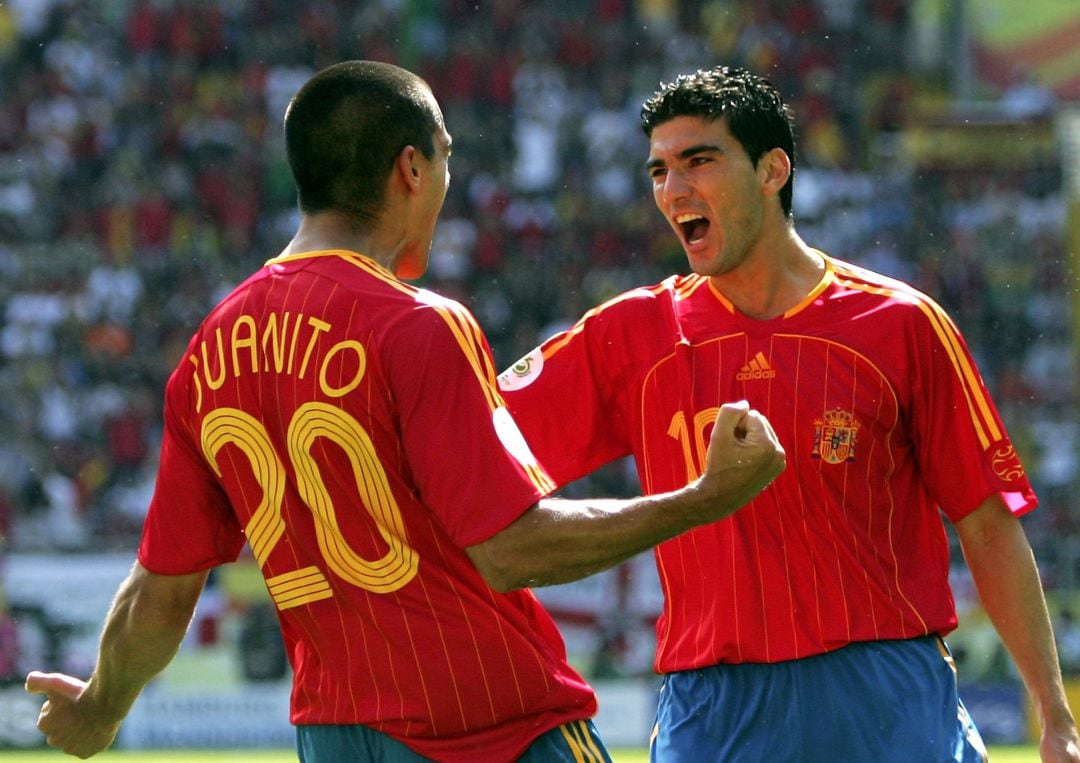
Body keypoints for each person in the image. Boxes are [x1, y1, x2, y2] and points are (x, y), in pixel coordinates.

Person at [23, 61, 785, 762]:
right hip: (492, 726)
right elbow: (512, 548)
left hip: (334, 736)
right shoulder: (417, 324)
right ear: (411, 169)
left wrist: (100, 704)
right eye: (446, 158)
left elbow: (160, 591)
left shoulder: (208, 354)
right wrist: (704, 498)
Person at [498, 65, 1080, 762]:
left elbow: (987, 523)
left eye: (699, 161)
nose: (672, 190)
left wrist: (1055, 712)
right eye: (658, 170)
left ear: (773, 170)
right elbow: (476, 452)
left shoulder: (901, 324)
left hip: (886, 697)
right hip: (714, 709)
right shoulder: (630, 337)